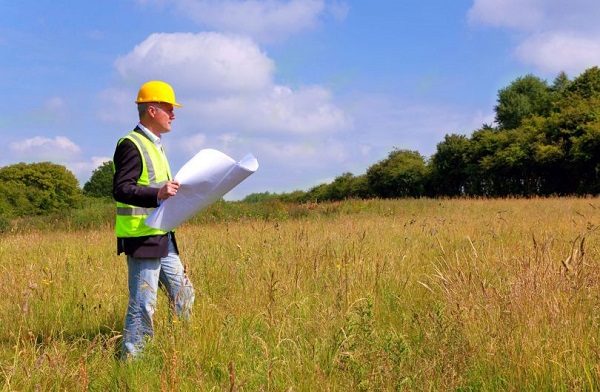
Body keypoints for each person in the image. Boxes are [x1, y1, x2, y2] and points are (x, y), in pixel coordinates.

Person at [112, 80, 195, 357]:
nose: (173, 114)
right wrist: (157, 193)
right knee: (143, 303)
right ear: (151, 110)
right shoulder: (131, 144)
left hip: (163, 234)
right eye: (168, 108)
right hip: (141, 235)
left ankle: (182, 349)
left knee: (184, 293)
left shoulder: (156, 145)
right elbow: (121, 188)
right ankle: (132, 361)